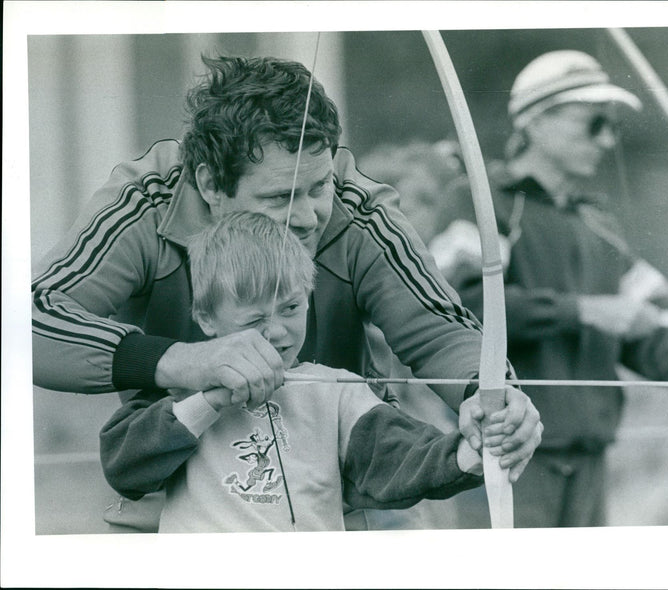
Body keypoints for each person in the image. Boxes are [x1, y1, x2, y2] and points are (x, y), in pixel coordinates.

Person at [31, 54, 541, 530]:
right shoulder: (147, 202)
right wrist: (188, 361)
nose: (306, 216)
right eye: (279, 196)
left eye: (318, 187)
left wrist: (492, 396)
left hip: (339, 500)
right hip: (178, 507)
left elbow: (438, 326)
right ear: (209, 183)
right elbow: (30, 321)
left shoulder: (359, 210)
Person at [450, 50, 668, 527]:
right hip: (506, 454)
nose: (607, 139)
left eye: (611, 126)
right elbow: (459, 307)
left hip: (590, 459)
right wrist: (585, 311)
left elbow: (652, 329)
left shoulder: (598, 223)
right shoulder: (485, 201)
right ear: (535, 122)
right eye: (593, 124)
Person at [100, 211, 489, 533]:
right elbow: (124, 467)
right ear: (206, 319)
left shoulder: (337, 392)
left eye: (290, 308)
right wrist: (212, 400)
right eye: (254, 319)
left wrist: (474, 450)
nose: (277, 332)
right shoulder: (183, 390)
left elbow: (399, 458)